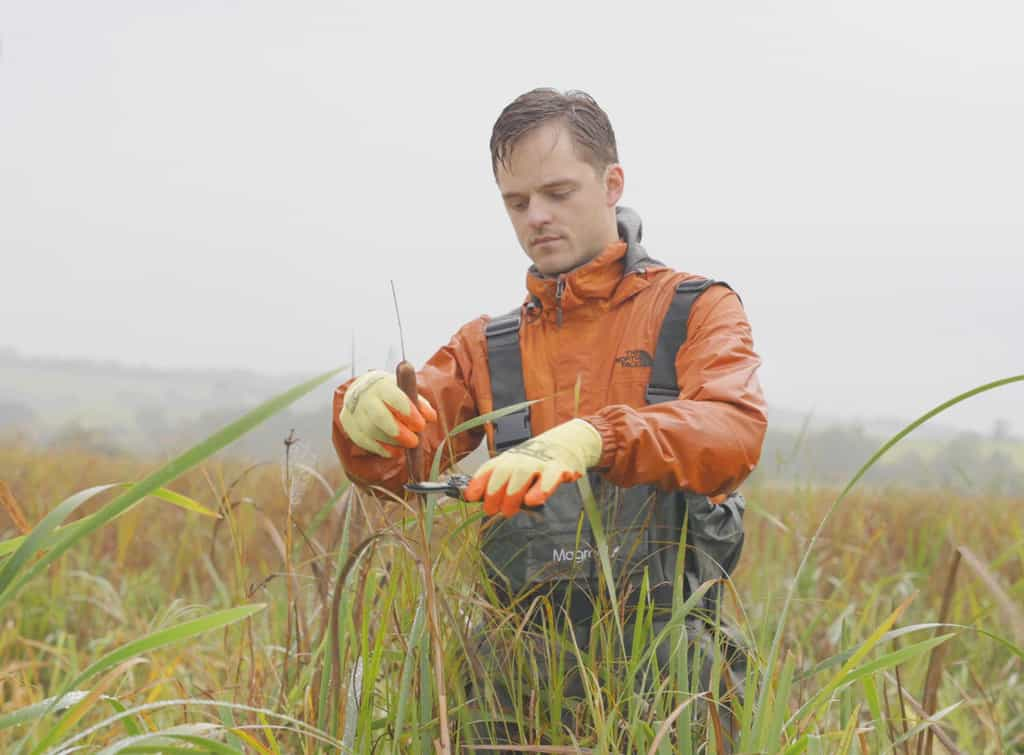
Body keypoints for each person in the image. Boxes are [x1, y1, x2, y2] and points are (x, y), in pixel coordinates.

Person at [332, 88, 767, 750]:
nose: (537, 216)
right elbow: (397, 463)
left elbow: (733, 429)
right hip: (514, 690)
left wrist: (598, 435)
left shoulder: (697, 309)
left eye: (558, 192)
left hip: (674, 689)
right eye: (517, 201)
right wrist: (359, 416)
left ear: (611, 183)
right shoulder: (488, 346)